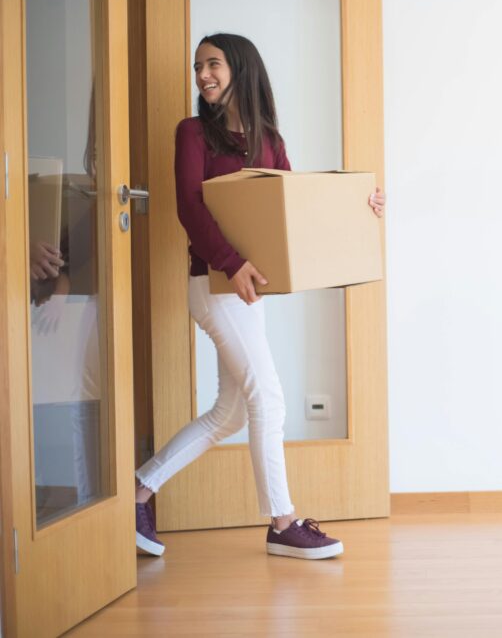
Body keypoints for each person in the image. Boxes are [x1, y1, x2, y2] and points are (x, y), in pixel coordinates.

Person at [133, 33, 385, 560]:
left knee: (229, 412)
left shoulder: (269, 139)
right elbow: (189, 208)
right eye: (197, 65)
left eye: (213, 64)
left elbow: (293, 211)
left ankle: (136, 493)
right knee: (267, 398)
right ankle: (282, 522)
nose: (202, 75)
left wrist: (360, 207)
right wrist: (231, 262)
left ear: (240, 69)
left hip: (246, 293)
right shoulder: (192, 133)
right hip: (213, 283)